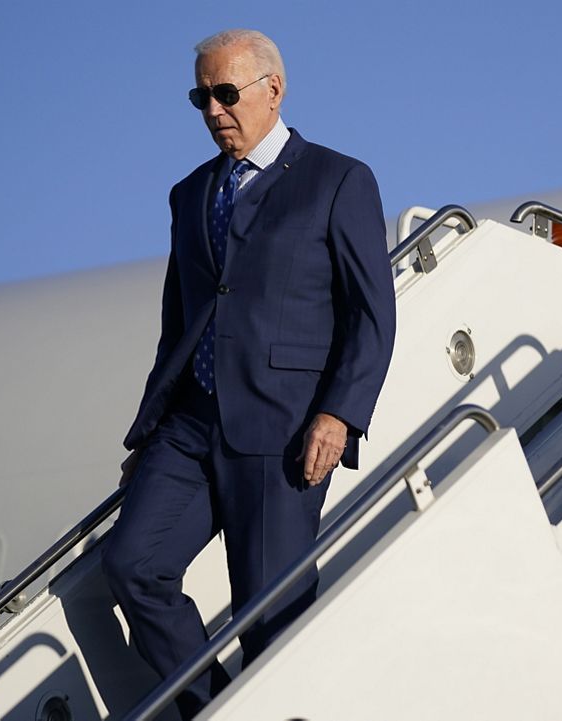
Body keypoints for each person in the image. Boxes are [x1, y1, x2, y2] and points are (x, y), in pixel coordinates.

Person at [101, 28, 397, 719]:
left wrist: (340, 412)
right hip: (190, 425)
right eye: (200, 96)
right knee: (133, 564)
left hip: (283, 427)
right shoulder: (190, 194)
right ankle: (221, 708)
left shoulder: (337, 179)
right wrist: (150, 428)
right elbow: (179, 322)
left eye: (226, 93)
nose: (213, 109)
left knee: (270, 615)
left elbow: (371, 313)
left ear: (274, 89)